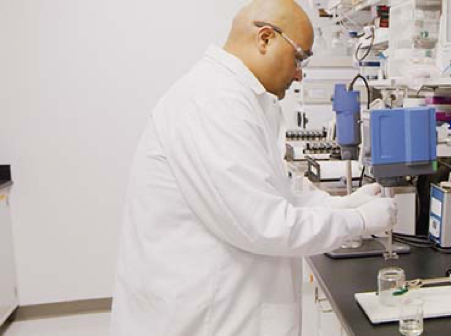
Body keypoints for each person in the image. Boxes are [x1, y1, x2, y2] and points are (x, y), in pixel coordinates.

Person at [109, 0, 396, 335]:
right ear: (265, 39)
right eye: (299, 57)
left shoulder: (244, 99)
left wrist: (340, 203)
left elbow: (278, 187)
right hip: (199, 318)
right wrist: (357, 220)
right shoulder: (212, 101)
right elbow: (265, 223)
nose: (300, 72)